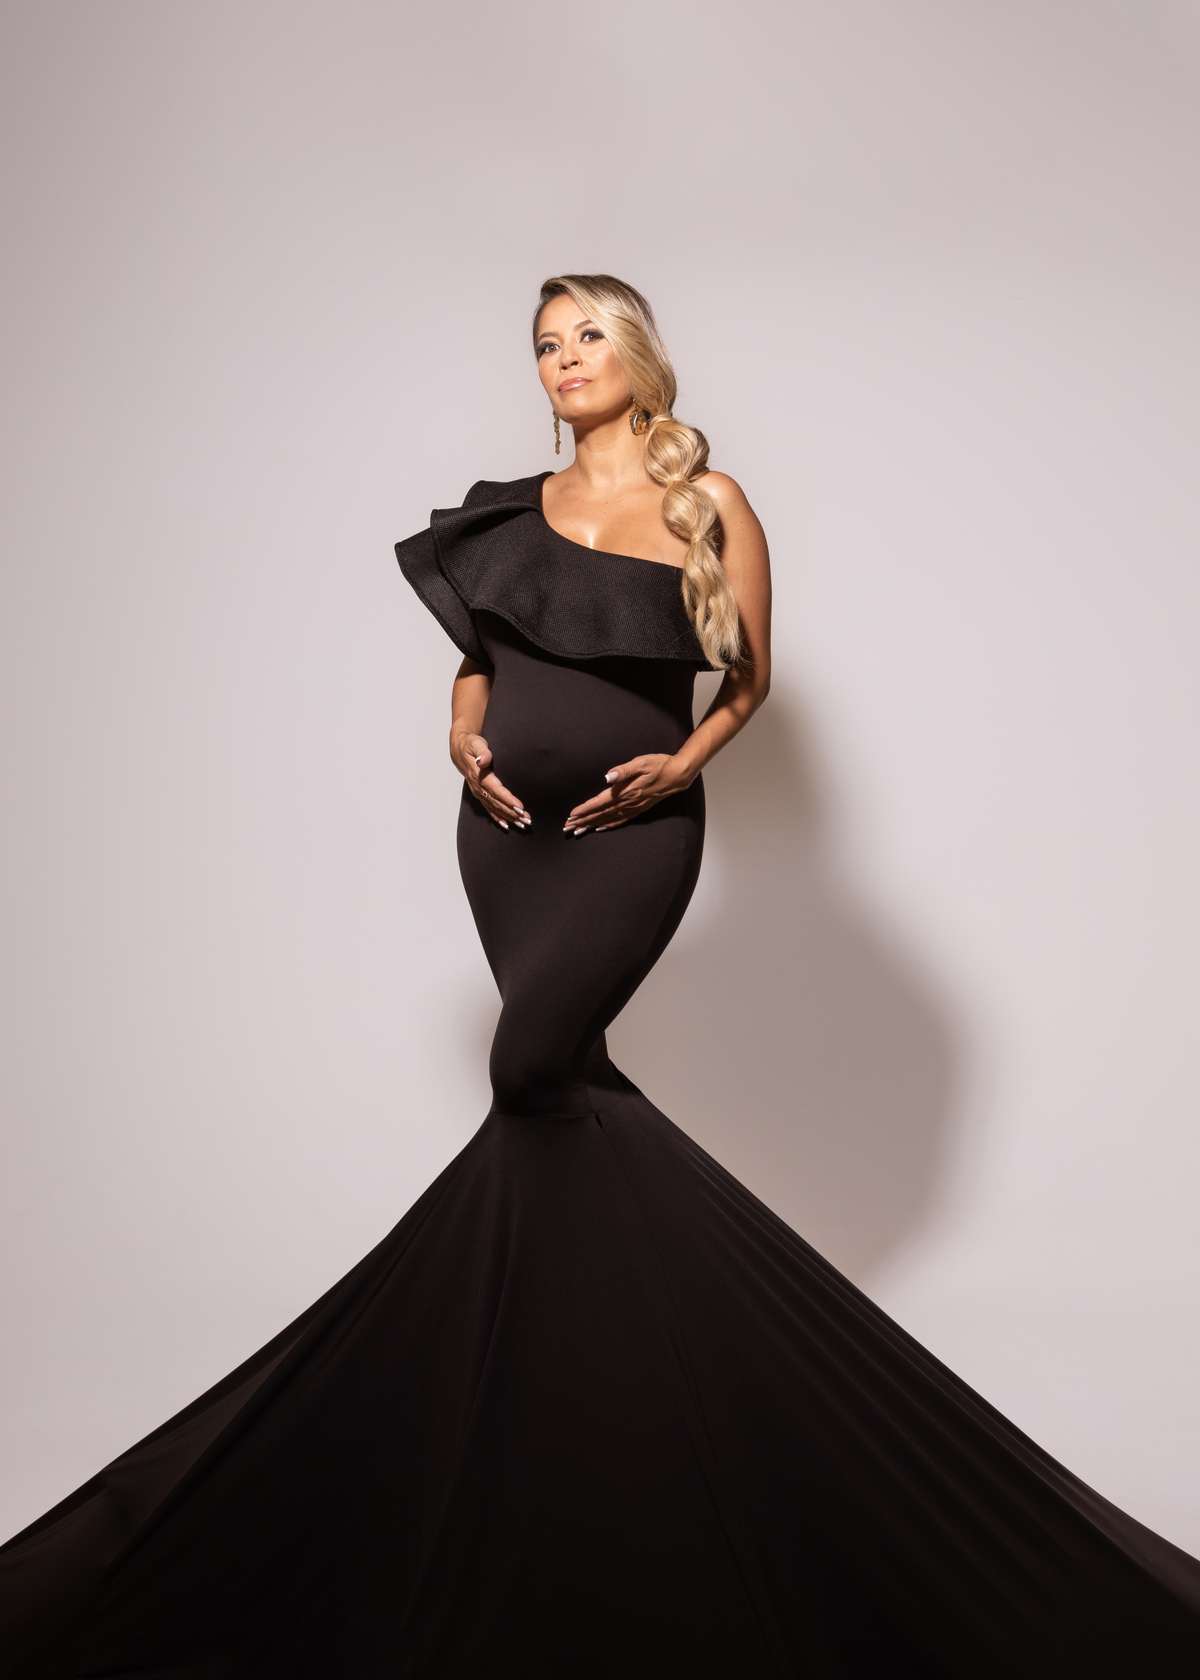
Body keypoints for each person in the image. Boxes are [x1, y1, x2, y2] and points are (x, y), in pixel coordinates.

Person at [1, 274, 1198, 1680]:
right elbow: (477, 659)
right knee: (564, 1097)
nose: (564, 360)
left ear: (637, 355)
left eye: (586, 337)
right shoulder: (509, 514)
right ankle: (594, 1410)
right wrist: (462, 736)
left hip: (631, 838)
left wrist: (678, 768)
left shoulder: (711, 503)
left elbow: (746, 681)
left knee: (531, 1073)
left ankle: (508, 1401)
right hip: (504, 840)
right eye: (545, 345)